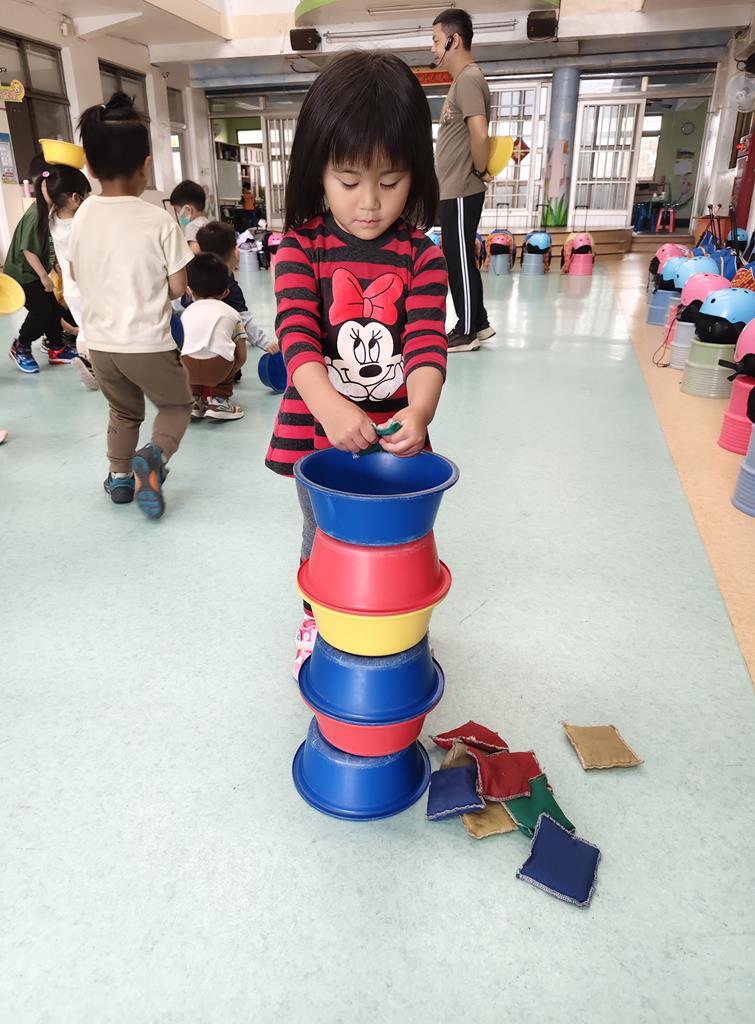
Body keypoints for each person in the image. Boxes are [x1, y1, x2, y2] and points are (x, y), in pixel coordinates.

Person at [264, 50, 448, 678]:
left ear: (415, 173)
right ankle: (319, 621)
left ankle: (397, 627)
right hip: (319, 435)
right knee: (324, 537)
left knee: (398, 542)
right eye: (349, 181)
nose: (370, 202)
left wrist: (420, 411)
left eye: (390, 182)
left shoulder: (422, 256)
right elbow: (297, 339)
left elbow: (426, 343)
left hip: (395, 442)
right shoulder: (299, 248)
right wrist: (330, 407)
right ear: (317, 169)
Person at [70, 91, 194, 520]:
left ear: (89, 168)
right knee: (176, 405)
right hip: (147, 343)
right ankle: (154, 456)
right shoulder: (159, 220)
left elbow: (75, 272)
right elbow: (178, 287)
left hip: (100, 344)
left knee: (123, 410)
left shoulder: (83, 214)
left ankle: (120, 478)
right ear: (146, 165)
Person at [431, 7, 493, 352]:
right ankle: (478, 322)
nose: (432, 48)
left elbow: (479, 133)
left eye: (436, 40)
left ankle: (466, 330)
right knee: (461, 256)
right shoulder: (463, 81)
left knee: (456, 258)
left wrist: (480, 171)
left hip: (460, 188)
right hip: (454, 188)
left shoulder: (468, 78)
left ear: (453, 40)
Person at [5, 170, 79, 373]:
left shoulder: (51, 212)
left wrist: (54, 265)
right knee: (42, 311)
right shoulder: (36, 214)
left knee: (54, 308)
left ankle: (56, 348)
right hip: (22, 275)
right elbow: (28, 250)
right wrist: (44, 276)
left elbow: (48, 244)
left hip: (36, 272)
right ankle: (21, 346)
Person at [43, 165, 97, 389]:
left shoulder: (52, 218)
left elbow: (49, 200)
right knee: (100, 330)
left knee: (85, 328)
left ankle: (87, 362)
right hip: (89, 287)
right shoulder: (80, 225)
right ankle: (100, 368)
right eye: (86, 194)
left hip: (71, 291)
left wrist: (49, 190)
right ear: (76, 198)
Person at [194, 220, 278, 355]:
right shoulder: (230, 288)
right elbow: (243, 319)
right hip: (220, 349)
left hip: (196, 343)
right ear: (235, 252)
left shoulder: (198, 279)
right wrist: (265, 342)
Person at [180, 253, 248, 421]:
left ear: (189, 291)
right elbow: (242, 354)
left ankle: (193, 401)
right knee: (228, 352)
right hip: (218, 369)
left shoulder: (186, 313)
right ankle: (220, 401)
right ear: (225, 292)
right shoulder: (232, 313)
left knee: (189, 351)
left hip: (187, 368)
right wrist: (234, 369)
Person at [169, 179, 209, 253]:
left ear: (188, 209)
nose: (180, 216)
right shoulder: (207, 223)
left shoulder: (192, 226)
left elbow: (195, 251)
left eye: (178, 212)